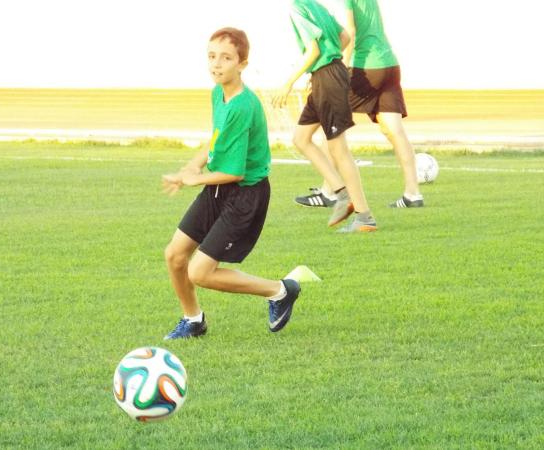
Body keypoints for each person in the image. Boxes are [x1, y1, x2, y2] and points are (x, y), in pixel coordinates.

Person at [161, 27, 300, 340]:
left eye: (226, 58)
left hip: (245, 195)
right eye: (212, 56)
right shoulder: (218, 93)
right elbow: (216, 141)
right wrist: (192, 166)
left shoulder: (243, 105)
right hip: (218, 190)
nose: (217, 64)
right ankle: (193, 320)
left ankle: (280, 291)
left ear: (242, 64)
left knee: (200, 272)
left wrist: (192, 179)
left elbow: (234, 172)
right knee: (175, 255)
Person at [295, 0, 424, 210]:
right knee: (394, 130)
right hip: (389, 64)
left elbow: (350, 31)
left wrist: (340, 67)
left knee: (332, 125)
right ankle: (413, 193)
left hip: (365, 67)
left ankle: (329, 191)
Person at [273, 0, 377, 232]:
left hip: (327, 77)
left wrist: (288, 84)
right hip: (327, 75)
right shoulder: (316, 6)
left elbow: (314, 50)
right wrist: (323, 67)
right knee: (301, 138)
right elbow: (345, 39)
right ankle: (341, 194)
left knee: (338, 149)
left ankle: (364, 217)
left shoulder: (297, 7)